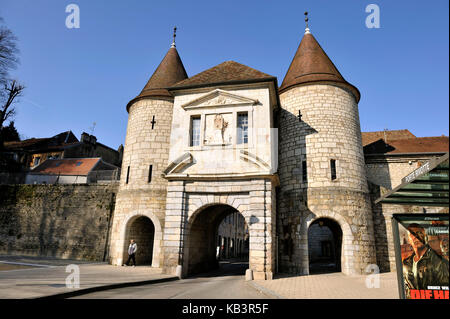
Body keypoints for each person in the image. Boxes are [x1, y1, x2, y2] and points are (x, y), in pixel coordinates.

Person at [402, 223, 449, 298]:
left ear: (425, 236)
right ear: (409, 239)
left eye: (419, 233)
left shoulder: (438, 261)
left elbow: (445, 291)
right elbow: (406, 289)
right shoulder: (406, 263)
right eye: (412, 234)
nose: (416, 237)